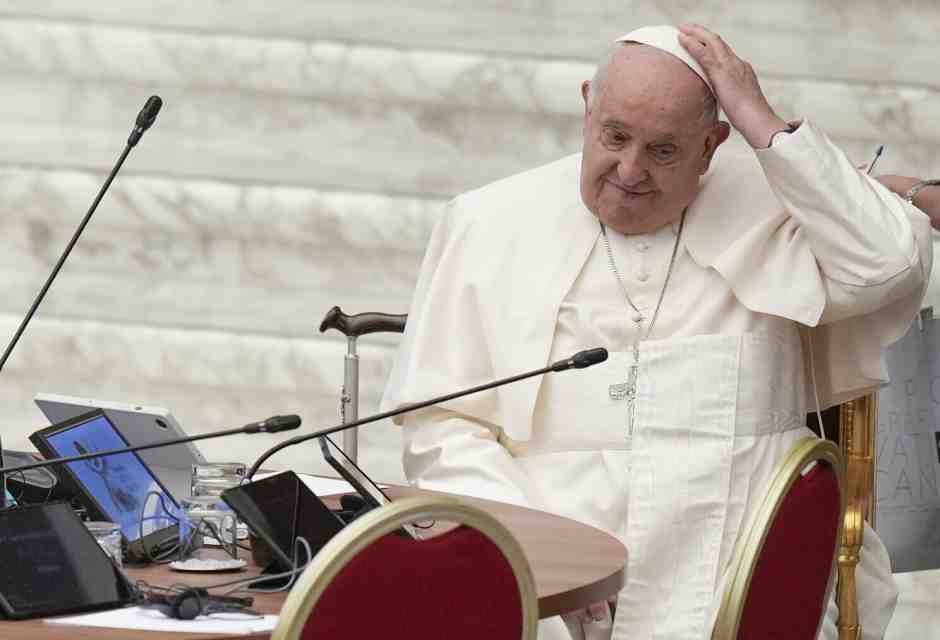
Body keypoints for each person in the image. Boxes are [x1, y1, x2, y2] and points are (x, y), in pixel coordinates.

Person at [382, 24, 936, 640]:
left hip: (741, 593)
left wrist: (763, 122)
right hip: (565, 600)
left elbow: (888, 264)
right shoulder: (488, 222)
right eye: (614, 136)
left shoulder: (776, 209)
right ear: (588, 104)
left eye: (664, 150)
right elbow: (443, 427)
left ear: (713, 143)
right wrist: (540, 558)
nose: (630, 169)